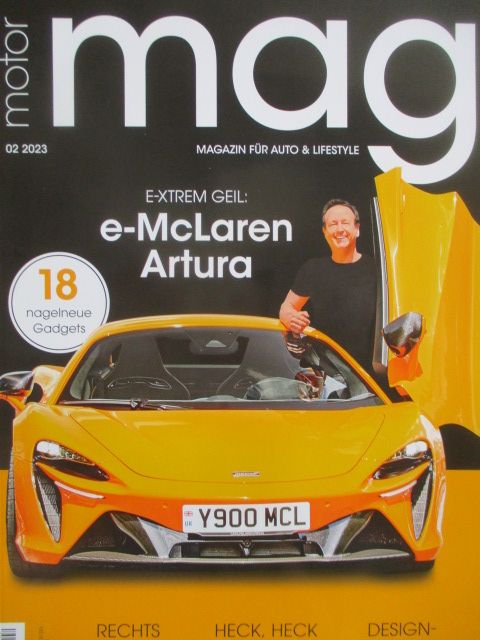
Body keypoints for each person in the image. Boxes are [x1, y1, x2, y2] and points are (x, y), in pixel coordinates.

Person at [279, 198, 376, 370]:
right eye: (333, 224)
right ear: (325, 232)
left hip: (369, 373)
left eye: (345, 223)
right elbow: (287, 308)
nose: (339, 229)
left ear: (357, 229)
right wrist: (292, 318)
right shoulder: (313, 269)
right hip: (327, 371)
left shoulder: (377, 270)